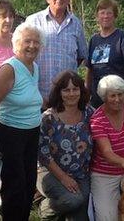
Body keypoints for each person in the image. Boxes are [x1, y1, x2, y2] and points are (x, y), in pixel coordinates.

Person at [0, 22, 44, 221]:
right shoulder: (9, 68)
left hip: (31, 133)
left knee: (29, 183)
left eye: (36, 42)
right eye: (27, 41)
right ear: (16, 44)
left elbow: (29, 96)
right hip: (10, 133)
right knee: (14, 185)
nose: (32, 46)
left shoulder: (34, 67)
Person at [37, 70, 94, 220]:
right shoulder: (48, 118)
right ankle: (46, 209)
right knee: (74, 200)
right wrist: (63, 178)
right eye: (66, 90)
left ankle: (62, 212)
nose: (71, 94)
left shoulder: (89, 113)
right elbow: (43, 154)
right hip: (50, 173)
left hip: (81, 174)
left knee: (81, 213)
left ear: (81, 91)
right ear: (59, 92)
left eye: (75, 89)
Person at [26, 0, 87, 106]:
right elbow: (23, 56)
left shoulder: (76, 24)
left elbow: (81, 56)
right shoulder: (33, 21)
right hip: (38, 97)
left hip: (67, 99)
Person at [89, 75, 124, 221]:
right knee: (107, 218)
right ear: (104, 97)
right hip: (104, 173)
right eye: (112, 95)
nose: (117, 99)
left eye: (120, 94)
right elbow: (107, 152)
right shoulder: (97, 119)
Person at [85, 0, 124, 109]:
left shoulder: (123, 37)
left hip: (120, 98)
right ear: (97, 16)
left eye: (109, 13)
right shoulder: (93, 40)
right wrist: (86, 94)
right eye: (102, 13)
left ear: (115, 16)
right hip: (99, 98)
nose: (105, 16)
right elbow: (90, 70)